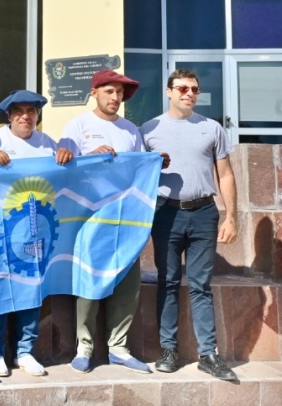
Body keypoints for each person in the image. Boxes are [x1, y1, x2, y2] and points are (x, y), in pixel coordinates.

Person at [141, 68, 238, 381]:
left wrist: (231, 216)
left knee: (200, 286)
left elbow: (225, 174)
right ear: (169, 91)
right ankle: (168, 350)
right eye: (182, 88)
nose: (189, 94)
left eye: (194, 89)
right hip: (166, 213)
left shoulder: (211, 128)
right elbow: (138, 178)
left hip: (204, 213)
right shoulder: (149, 130)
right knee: (168, 282)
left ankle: (208, 354)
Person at [58, 69, 154, 374]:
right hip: (91, 218)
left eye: (120, 93)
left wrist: (156, 162)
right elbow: (64, 169)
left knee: (128, 286)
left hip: (126, 219)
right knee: (89, 282)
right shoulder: (78, 125)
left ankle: (119, 348)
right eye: (109, 91)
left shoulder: (130, 130)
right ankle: (83, 347)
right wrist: (88, 157)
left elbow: (138, 171)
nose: (116, 98)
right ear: (95, 93)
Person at [0, 90, 72, 377]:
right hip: (1, 227)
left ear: (38, 115)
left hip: (37, 230)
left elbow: (66, 177)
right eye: (19, 111)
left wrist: (68, 158)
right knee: (1, 289)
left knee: (33, 288)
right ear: (8, 115)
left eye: (31, 111)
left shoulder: (47, 144)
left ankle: (24, 351)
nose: (25, 116)